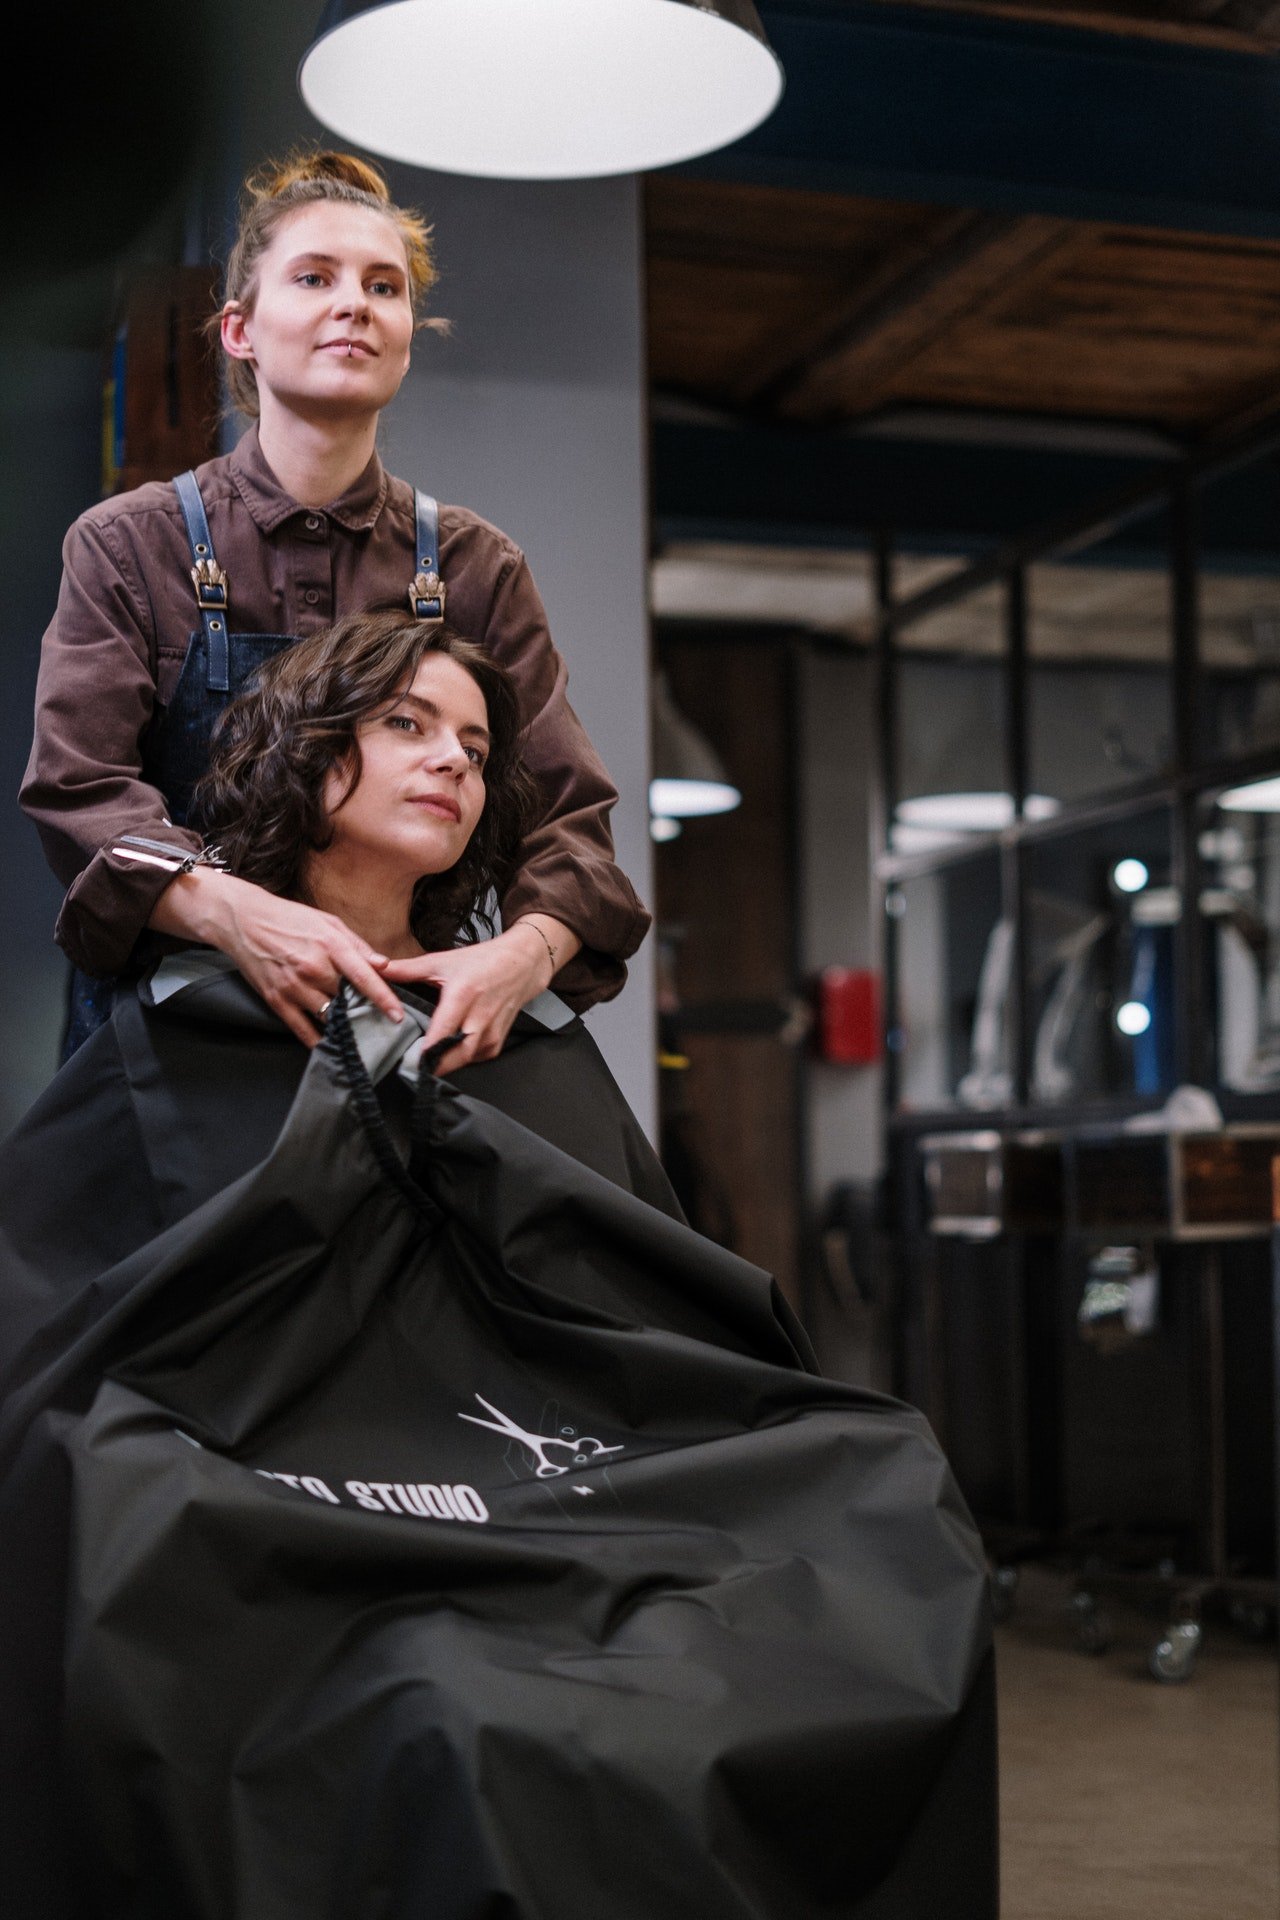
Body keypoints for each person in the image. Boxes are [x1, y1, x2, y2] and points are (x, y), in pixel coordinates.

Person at [0, 613, 998, 1920]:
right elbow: (70, 1328)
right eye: (406, 726)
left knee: (883, 1499)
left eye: (474, 743)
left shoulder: (521, 1035)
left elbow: (649, 1301)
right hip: (281, 1477)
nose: (453, 763)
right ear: (305, 756)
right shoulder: (186, 1030)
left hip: (559, 1462)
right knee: (442, 1707)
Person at [20, 146, 648, 1070]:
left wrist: (523, 956)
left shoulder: (476, 569)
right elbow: (80, 796)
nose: (354, 302)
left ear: (406, 331)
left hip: (411, 1039)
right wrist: (233, 911)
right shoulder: (129, 546)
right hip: (174, 1047)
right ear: (239, 329)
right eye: (314, 277)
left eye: (383, 287)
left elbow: (571, 826)